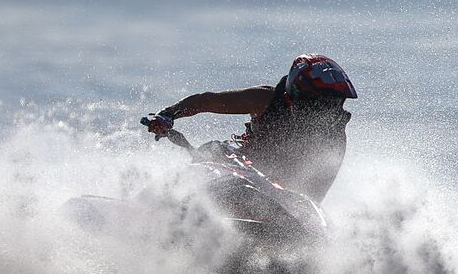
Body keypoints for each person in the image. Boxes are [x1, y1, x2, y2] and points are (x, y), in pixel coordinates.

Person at [144, 54, 357, 203]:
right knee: (213, 150)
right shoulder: (264, 100)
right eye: (322, 103)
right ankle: (159, 205)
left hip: (279, 197)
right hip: (235, 168)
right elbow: (206, 101)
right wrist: (168, 114)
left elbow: (313, 197)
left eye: (334, 103)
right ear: (297, 96)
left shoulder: (334, 138)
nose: (328, 111)